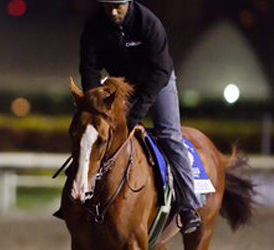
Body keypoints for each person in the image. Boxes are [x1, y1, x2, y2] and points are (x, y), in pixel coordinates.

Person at [79, 0, 202, 234]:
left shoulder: (149, 23)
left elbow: (160, 71)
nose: (113, 12)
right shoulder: (94, 24)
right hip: (121, 84)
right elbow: (89, 68)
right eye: (107, 7)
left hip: (158, 81)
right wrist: (94, 104)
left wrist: (135, 115)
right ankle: (78, 193)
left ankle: (188, 205)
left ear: (128, 3)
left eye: (118, 6)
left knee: (168, 135)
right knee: (92, 131)